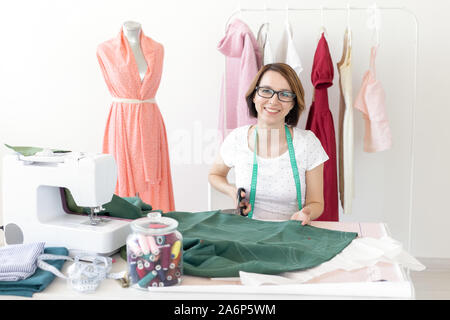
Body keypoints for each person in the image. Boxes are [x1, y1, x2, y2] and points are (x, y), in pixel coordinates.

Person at [208, 63, 329, 225]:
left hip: (292, 234)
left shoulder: (308, 143)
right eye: (266, 91)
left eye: (285, 94)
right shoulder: (236, 139)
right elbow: (215, 175)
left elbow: (317, 203)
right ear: (254, 95)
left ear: (293, 103)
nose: (273, 101)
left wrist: (306, 212)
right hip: (248, 234)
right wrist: (232, 191)